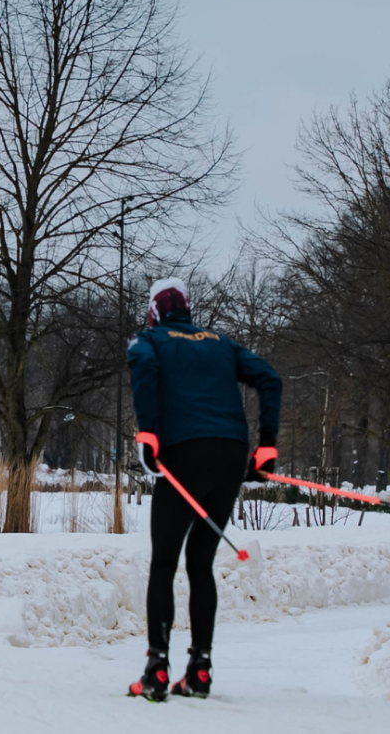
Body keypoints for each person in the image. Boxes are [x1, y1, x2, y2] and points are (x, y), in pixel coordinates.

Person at [125, 277, 281, 701]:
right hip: (230, 454)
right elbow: (269, 378)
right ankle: (201, 669)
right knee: (200, 563)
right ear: (187, 308)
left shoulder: (148, 339)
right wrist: (266, 445)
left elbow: (144, 370)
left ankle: (157, 669)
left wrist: (148, 434)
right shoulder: (222, 343)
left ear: (155, 309)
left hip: (183, 454)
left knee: (164, 563)